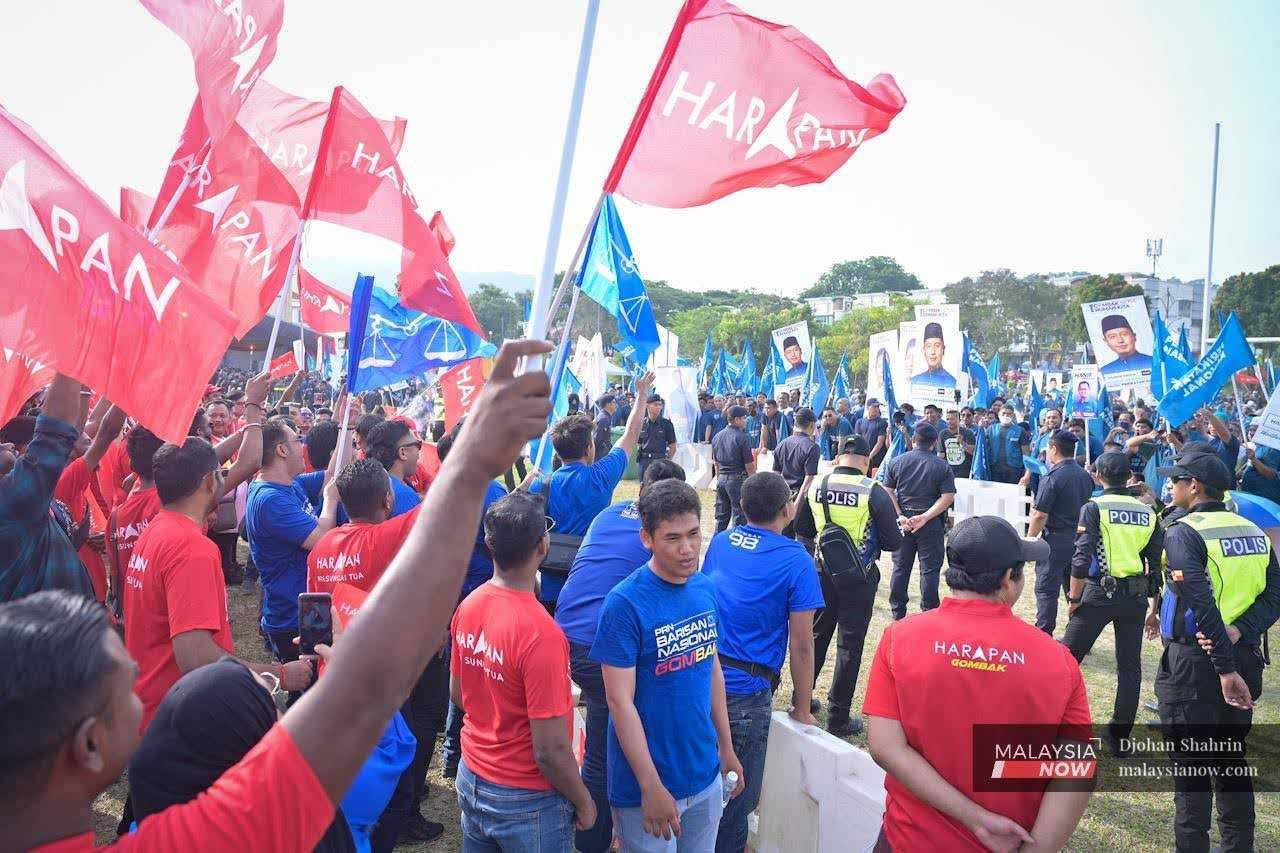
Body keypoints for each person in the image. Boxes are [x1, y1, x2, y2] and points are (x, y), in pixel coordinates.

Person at [0, 337, 557, 853]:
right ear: (90, 746)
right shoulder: (189, 839)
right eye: (116, 688)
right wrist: (471, 468)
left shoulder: (157, 526)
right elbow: (360, 695)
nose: (138, 680)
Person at [864, 516, 1093, 852]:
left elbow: (886, 748)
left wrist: (973, 817)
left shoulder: (900, 638)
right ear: (1006, 579)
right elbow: (1074, 773)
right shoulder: (1058, 661)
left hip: (906, 842)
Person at [590, 479, 744, 851]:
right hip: (646, 788)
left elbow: (712, 672)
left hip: (704, 775)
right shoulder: (624, 604)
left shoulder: (705, 589)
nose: (688, 548)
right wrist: (650, 785)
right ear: (647, 538)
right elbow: (619, 702)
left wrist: (726, 746)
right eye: (673, 538)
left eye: (694, 534)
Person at [125, 434, 314, 735]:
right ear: (210, 482)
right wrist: (276, 675)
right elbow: (195, 656)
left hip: (157, 707)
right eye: (221, 474)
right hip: (187, 717)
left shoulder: (155, 532)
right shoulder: (191, 548)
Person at [127, 656, 411, 853]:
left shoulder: (148, 831)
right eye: (268, 695)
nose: (282, 710)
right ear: (252, 743)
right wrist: (349, 683)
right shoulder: (322, 804)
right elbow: (389, 747)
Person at [450, 492, 597, 850]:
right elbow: (549, 751)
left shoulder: (469, 605)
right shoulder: (541, 634)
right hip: (526, 799)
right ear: (543, 545)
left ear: (488, 544)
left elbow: (458, 693)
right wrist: (584, 801)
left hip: (473, 775)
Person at [552, 460, 685, 852]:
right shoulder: (657, 536)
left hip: (572, 633)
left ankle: (597, 831)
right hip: (599, 644)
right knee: (613, 741)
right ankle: (598, 835)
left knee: (608, 733)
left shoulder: (611, 513)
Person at [1154, 451, 1280, 852]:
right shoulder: (1253, 530)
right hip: (1242, 656)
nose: (1169, 487)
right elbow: (1275, 593)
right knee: (1230, 762)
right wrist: (1241, 631)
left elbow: (1200, 601)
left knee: (1192, 772)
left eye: (1176, 480)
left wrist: (1225, 665)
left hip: (1198, 667)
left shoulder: (1183, 531)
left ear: (1194, 486)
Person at [703, 472, 824, 852]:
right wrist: (803, 706)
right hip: (745, 694)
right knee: (736, 802)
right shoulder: (796, 559)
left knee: (698, 791)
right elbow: (803, 644)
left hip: (702, 676)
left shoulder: (721, 542)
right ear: (787, 509)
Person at [794, 436, 903, 737]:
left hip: (821, 574)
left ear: (838, 456)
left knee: (816, 635)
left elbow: (801, 528)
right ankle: (838, 716)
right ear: (867, 462)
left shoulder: (817, 485)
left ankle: (801, 699)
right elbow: (894, 542)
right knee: (849, 646)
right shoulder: (873, 491)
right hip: (859, 579)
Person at [1061, 452, 1162, 755]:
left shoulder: (1094, 507)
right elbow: (1155, 568)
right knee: (1129, 668)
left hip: (1096, 593)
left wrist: (1073, 598)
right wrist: (1154, 611)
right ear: (1129, 476)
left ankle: (1049, 725)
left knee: (1065, 661)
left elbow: (1080, 559)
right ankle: (1120, 739)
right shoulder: (1148, 513)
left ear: (1098, 475)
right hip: (1134, 598)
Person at [527, 372, 654, 611]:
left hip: (550, 585)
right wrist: (642, 396)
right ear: (588, 448)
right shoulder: (601, 476)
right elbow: (630, 435)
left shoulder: (541, 485)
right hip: (589, 585)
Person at [246, 418, 340, 674]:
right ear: (282, 450)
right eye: (298, 439)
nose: (304, 446)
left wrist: (347, 428)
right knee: (309, 697)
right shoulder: (270, 499)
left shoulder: (289, 484)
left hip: (303, 609)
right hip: (293, 617)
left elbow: (333, 476)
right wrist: (330, 503)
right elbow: (322, 540)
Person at [0, 374, 96, 602]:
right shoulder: (12, 503)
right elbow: (56, 432)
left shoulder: (22, 500)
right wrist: (73, 356)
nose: (6, 443)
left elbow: (68, 435)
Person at [306, 460, 419, 596]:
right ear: (387, 499)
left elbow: (315, 606)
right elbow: (431, 509)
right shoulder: (383, 537)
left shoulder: (321, 546)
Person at [1025, 430, 1097, 635]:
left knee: (1047, 589)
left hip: (1055, 540)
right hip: (1080, 539)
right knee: (1074, 589)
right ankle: (1078, 633)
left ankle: (1043, 633)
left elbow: (1040, 514)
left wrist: (1030, 540)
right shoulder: (1084, 475)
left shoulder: (1053, 476)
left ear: (1054, 449)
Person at [884, 422, 955, 620]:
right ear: (934, 443)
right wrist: (925, 517)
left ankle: (897, 613)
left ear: (914, 440)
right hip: (930, 523)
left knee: (900, 568)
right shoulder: (942, 466)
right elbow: (947, 496)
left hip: (905, 521)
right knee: (929, 571)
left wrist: (899, 514)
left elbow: (887, 490)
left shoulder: (897, 461)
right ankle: (929, 613)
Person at [363, 419, 424, 516]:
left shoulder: (360, 486)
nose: (418, 453)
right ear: (402, 452)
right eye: (418, 445)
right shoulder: (404, 496)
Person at [711, 405, 756, 533]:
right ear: (736, 420)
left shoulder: (717, 436)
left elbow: (716, 463)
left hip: (722, 479)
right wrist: (754, 483)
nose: (745, 421)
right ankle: (736, 550)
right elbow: (749, 465)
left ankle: (715, 548)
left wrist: (719, 479)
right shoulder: (742, 437)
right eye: (743, 418)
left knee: (721, 519)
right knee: (739, 518)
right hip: (737, 480)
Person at [983, 403, 1031, 485]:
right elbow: (983, 449)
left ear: (1013, 415)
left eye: (1009, 414)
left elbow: (1026, 454)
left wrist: (1027, 475)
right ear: (999, 414)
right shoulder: (990, 429)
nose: (1006, 415)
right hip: (995, 470)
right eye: (1003, 413)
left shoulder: (1020, 431)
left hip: (1014, 471)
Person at [637, 391, 678, 481]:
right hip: (644, 461)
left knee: (659, 489)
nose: (658, 407)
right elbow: (638, 444)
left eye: (660, 405)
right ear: (647, 405)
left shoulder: (666, 424)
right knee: (644, 488)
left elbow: (673, 447)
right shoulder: (641, 424)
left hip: (660, 461)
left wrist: (667, 461)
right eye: (655, 405)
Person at [909, 322, 957, 391]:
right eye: (928, 346)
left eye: (937, 346)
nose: (932, 352)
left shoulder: (953, 383)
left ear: (943, 349)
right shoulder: (915, 381)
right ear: (924, 350)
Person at [938, 407, 975, 478]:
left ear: (959, 420)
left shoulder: (968, 433)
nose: (949, 421)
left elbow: (973, 452)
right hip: (948, 472)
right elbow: (941, 455)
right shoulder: (943, 434)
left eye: (952, 419)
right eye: (947, 419)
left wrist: (962, 443)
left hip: (964, 473)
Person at [853, 398, 888, 472]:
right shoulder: (859, 422)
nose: (877, 409)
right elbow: (857, 440)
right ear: (868, 407)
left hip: (876, 459)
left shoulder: (882, 423)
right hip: (862, 458)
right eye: (874, 407)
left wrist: (870, 456)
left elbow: (880, 443)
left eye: (878, 407)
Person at [594, 394, 617, 460]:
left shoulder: (606, 416)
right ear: (608, 404)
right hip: (600, 456)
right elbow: (597, 439)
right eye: (613, 402)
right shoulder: (604, 418)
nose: (616, 405)